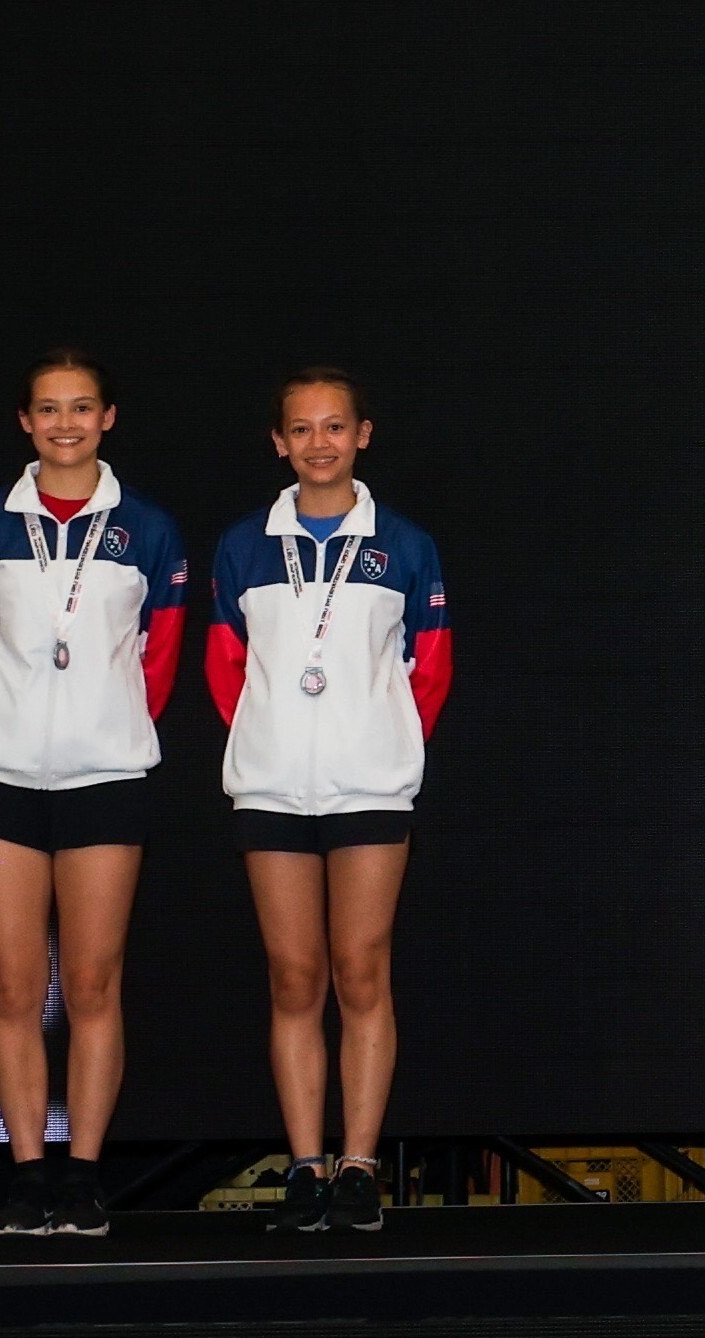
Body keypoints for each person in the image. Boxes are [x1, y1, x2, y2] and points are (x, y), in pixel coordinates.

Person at [0, 349, 186, 1236]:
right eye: (49, 410)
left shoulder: (148, 530)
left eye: (82, 408)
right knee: (16, 986)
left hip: (106, 778)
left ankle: (83, 1174)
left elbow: (159, 658)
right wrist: (1, 726)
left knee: (91, 983)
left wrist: (107, 729)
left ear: (108, 419)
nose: (66, 424)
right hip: (2, 777)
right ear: (25, 422)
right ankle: (27, 1173)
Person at [205, 366, 451, 1231]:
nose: (319, 443)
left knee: (360, 970)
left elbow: (431, 669)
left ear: (363, 435)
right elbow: (225, 672)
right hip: (272, 787)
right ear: (280, 443)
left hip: (371, 786)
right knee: (294, 976)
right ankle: (305, 1163)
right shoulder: (242, 546)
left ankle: (358, 1163)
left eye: (334, 427)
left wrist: (380, 743)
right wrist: (275, 739)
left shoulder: (407, 545)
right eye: (301, 429)